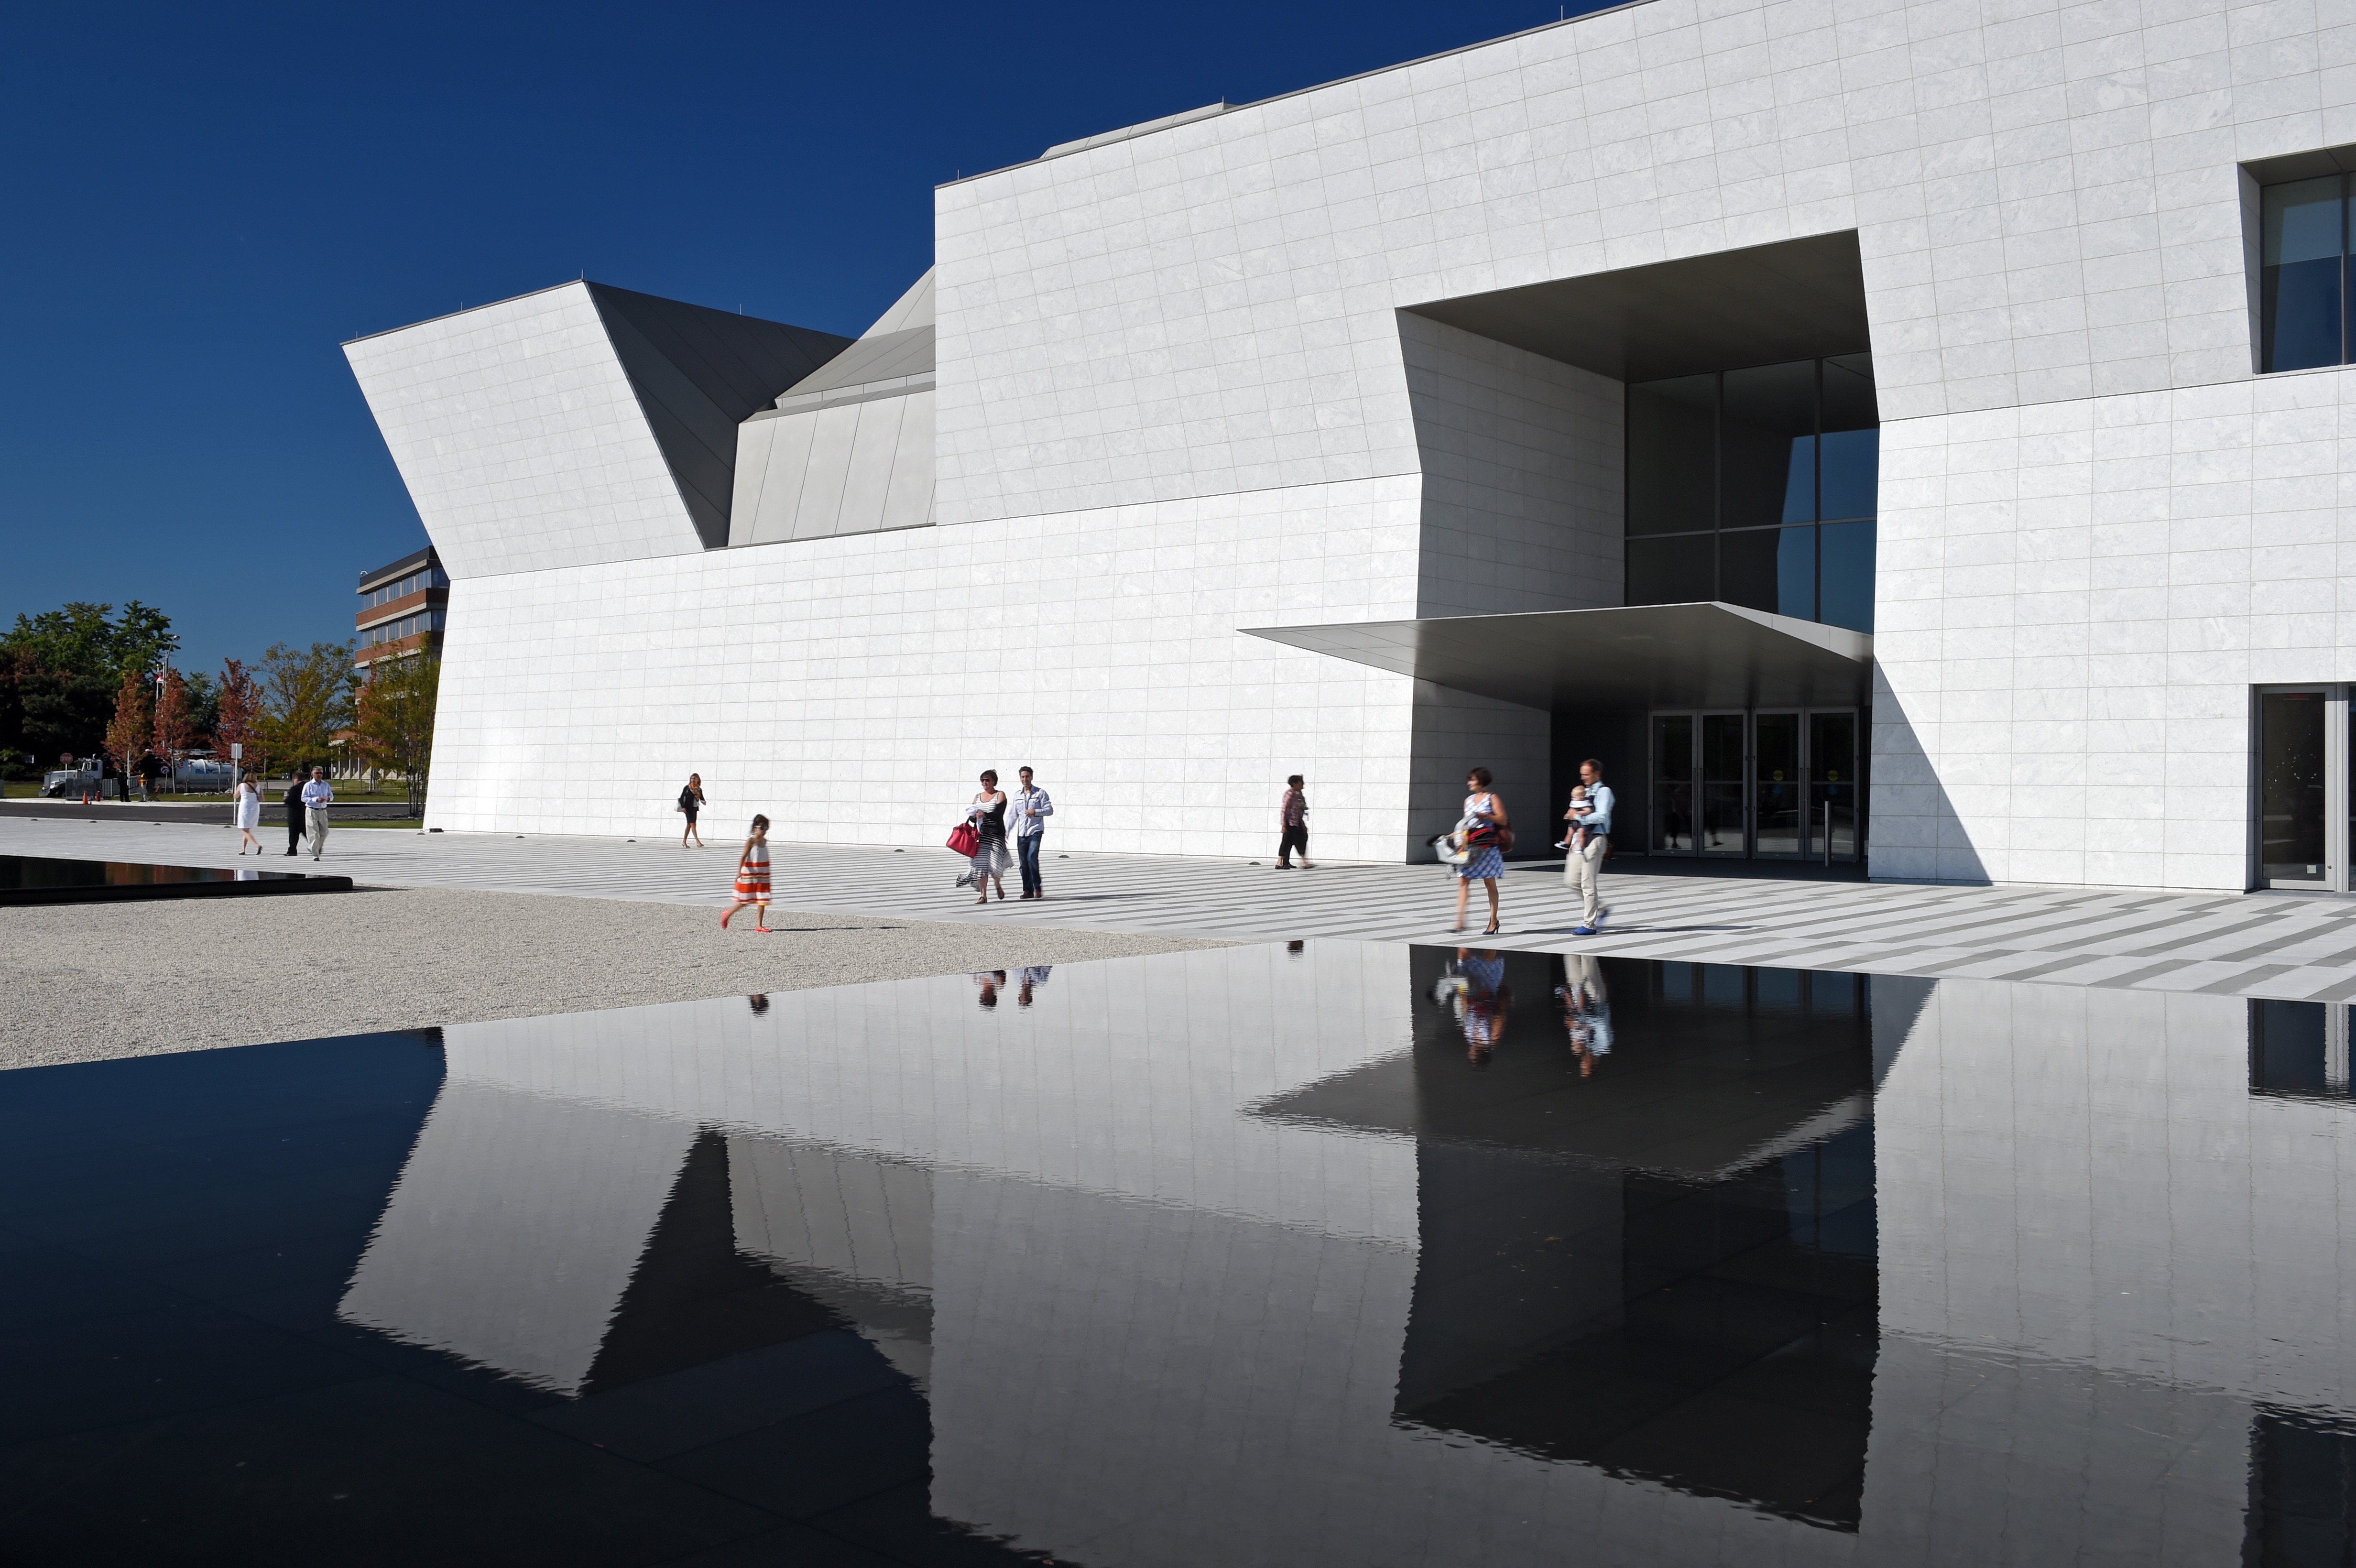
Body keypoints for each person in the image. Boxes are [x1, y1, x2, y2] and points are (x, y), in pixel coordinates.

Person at [1451, 766, 1508, 936]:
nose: (1469, 783)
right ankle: (1460, 921)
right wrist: (1453, 834)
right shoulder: (1468, 801)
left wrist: (1486, 816)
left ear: (1481, 781)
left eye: (1473, 780)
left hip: (1487, 846)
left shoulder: (1492, 797)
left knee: (1489, 883)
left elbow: (1503, 819)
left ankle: (1493, 921)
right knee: (1463, 881)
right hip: (1470, 846)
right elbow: (1466, 824)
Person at [1564, 758, 1614, 936]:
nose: (1583, 777)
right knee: (1570, 880)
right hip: (1580, 839)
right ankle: (1601, 909)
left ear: (1597, 773)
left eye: (1587, 774)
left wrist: (1579, 817)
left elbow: (1601, 816)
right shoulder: (1583, 792)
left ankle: (1589, 924)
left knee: (1588, 883)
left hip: (1596, 839)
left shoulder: (1604, 792)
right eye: (1582, 774)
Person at [961, 771, 1010, 903]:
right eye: (982, 780)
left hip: (996, 835)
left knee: (995, 867)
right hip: (981, 836)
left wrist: (984, 814)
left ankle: (998, 883)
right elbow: (972, 819)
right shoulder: (977, 797)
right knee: (981, 866)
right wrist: (973, 816)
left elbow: (998, 814)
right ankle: (984, 895)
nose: (985, 783)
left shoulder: (1000, 795)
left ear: (994, 781)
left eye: (987, 780)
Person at [721, 815, 774, 931]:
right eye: (762, 827)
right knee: (745, 901)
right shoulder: (751, 841)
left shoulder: (765, 841)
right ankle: (728, 914)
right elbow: (743, 857)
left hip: (763, 874)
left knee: (763, 899)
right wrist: (739, 872)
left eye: (766, 828)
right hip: (750, 874)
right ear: (755, 828)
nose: (764, 831)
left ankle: (759, 925)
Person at [1010, 766, 1054, 899]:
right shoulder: (1017, 795)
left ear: (1032, 777)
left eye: (1027, 776)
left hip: (1035, 831)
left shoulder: (1040, 793)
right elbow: (1013, 815)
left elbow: (1050, 810)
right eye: (1023, 777)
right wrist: (1006, 830)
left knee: (1031, 858)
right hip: (1022, 833)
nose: (1025, 779)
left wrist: (1036, 812)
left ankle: (1037, 886)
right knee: (1023, 864)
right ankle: (1028, 891)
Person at [1277, 774, 1313, 868]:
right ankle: (1280, 862)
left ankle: (1286, 862)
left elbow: (1298, 810)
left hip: (1297, 822)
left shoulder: (1298, 795)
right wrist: (1284, 824)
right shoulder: (1289, 794)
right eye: (1301, 783)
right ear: (1294, 784)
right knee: (1287, 841)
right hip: (1290, 822)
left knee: (1299, 839)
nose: (1303, 785)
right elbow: (1284, 809)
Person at [301, 766, 334, 860]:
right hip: (312, 810)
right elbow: (303, 798)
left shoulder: (326, 785)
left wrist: (329, 798)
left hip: (323, 811)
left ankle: (312, 847)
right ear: (312, 774)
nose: (319, 775)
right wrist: (316, 799)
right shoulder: (308, 785)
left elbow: (331, 795)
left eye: (321, 773)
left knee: (324, 832)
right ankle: (315, 855)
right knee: (313, 833)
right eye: (317, 773)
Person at [231, 774, 264, 855]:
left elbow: (236, 796)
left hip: (245, 808)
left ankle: (257, 846)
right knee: (247, 829)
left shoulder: (242, 785)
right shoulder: (258, 787)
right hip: (255, 808)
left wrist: (234, 794)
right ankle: (243, 849)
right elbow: (262, 799)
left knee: (244, 830)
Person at [678, 774, 707, 848]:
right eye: (692, 778)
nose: (693, 780)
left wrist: (703, 801)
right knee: (693, 825)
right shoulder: (688, 788)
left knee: (689, 825)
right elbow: (681, 798)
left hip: (695, 808)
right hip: (688, 808)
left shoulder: (698, 789)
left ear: (698, 780)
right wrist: (683, 807)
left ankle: (684, 841)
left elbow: (701, 798)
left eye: (695, 779)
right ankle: (698, 841)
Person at [282, 775, 307, 857]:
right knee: (307, 833)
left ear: (296, 779)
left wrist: (286, 799)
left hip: (294, 815)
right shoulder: (308, 787)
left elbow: (289, 801)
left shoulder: (294, 789)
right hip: (305, 813)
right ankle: (317, 846)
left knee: (293, 835)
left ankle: (292, 850)